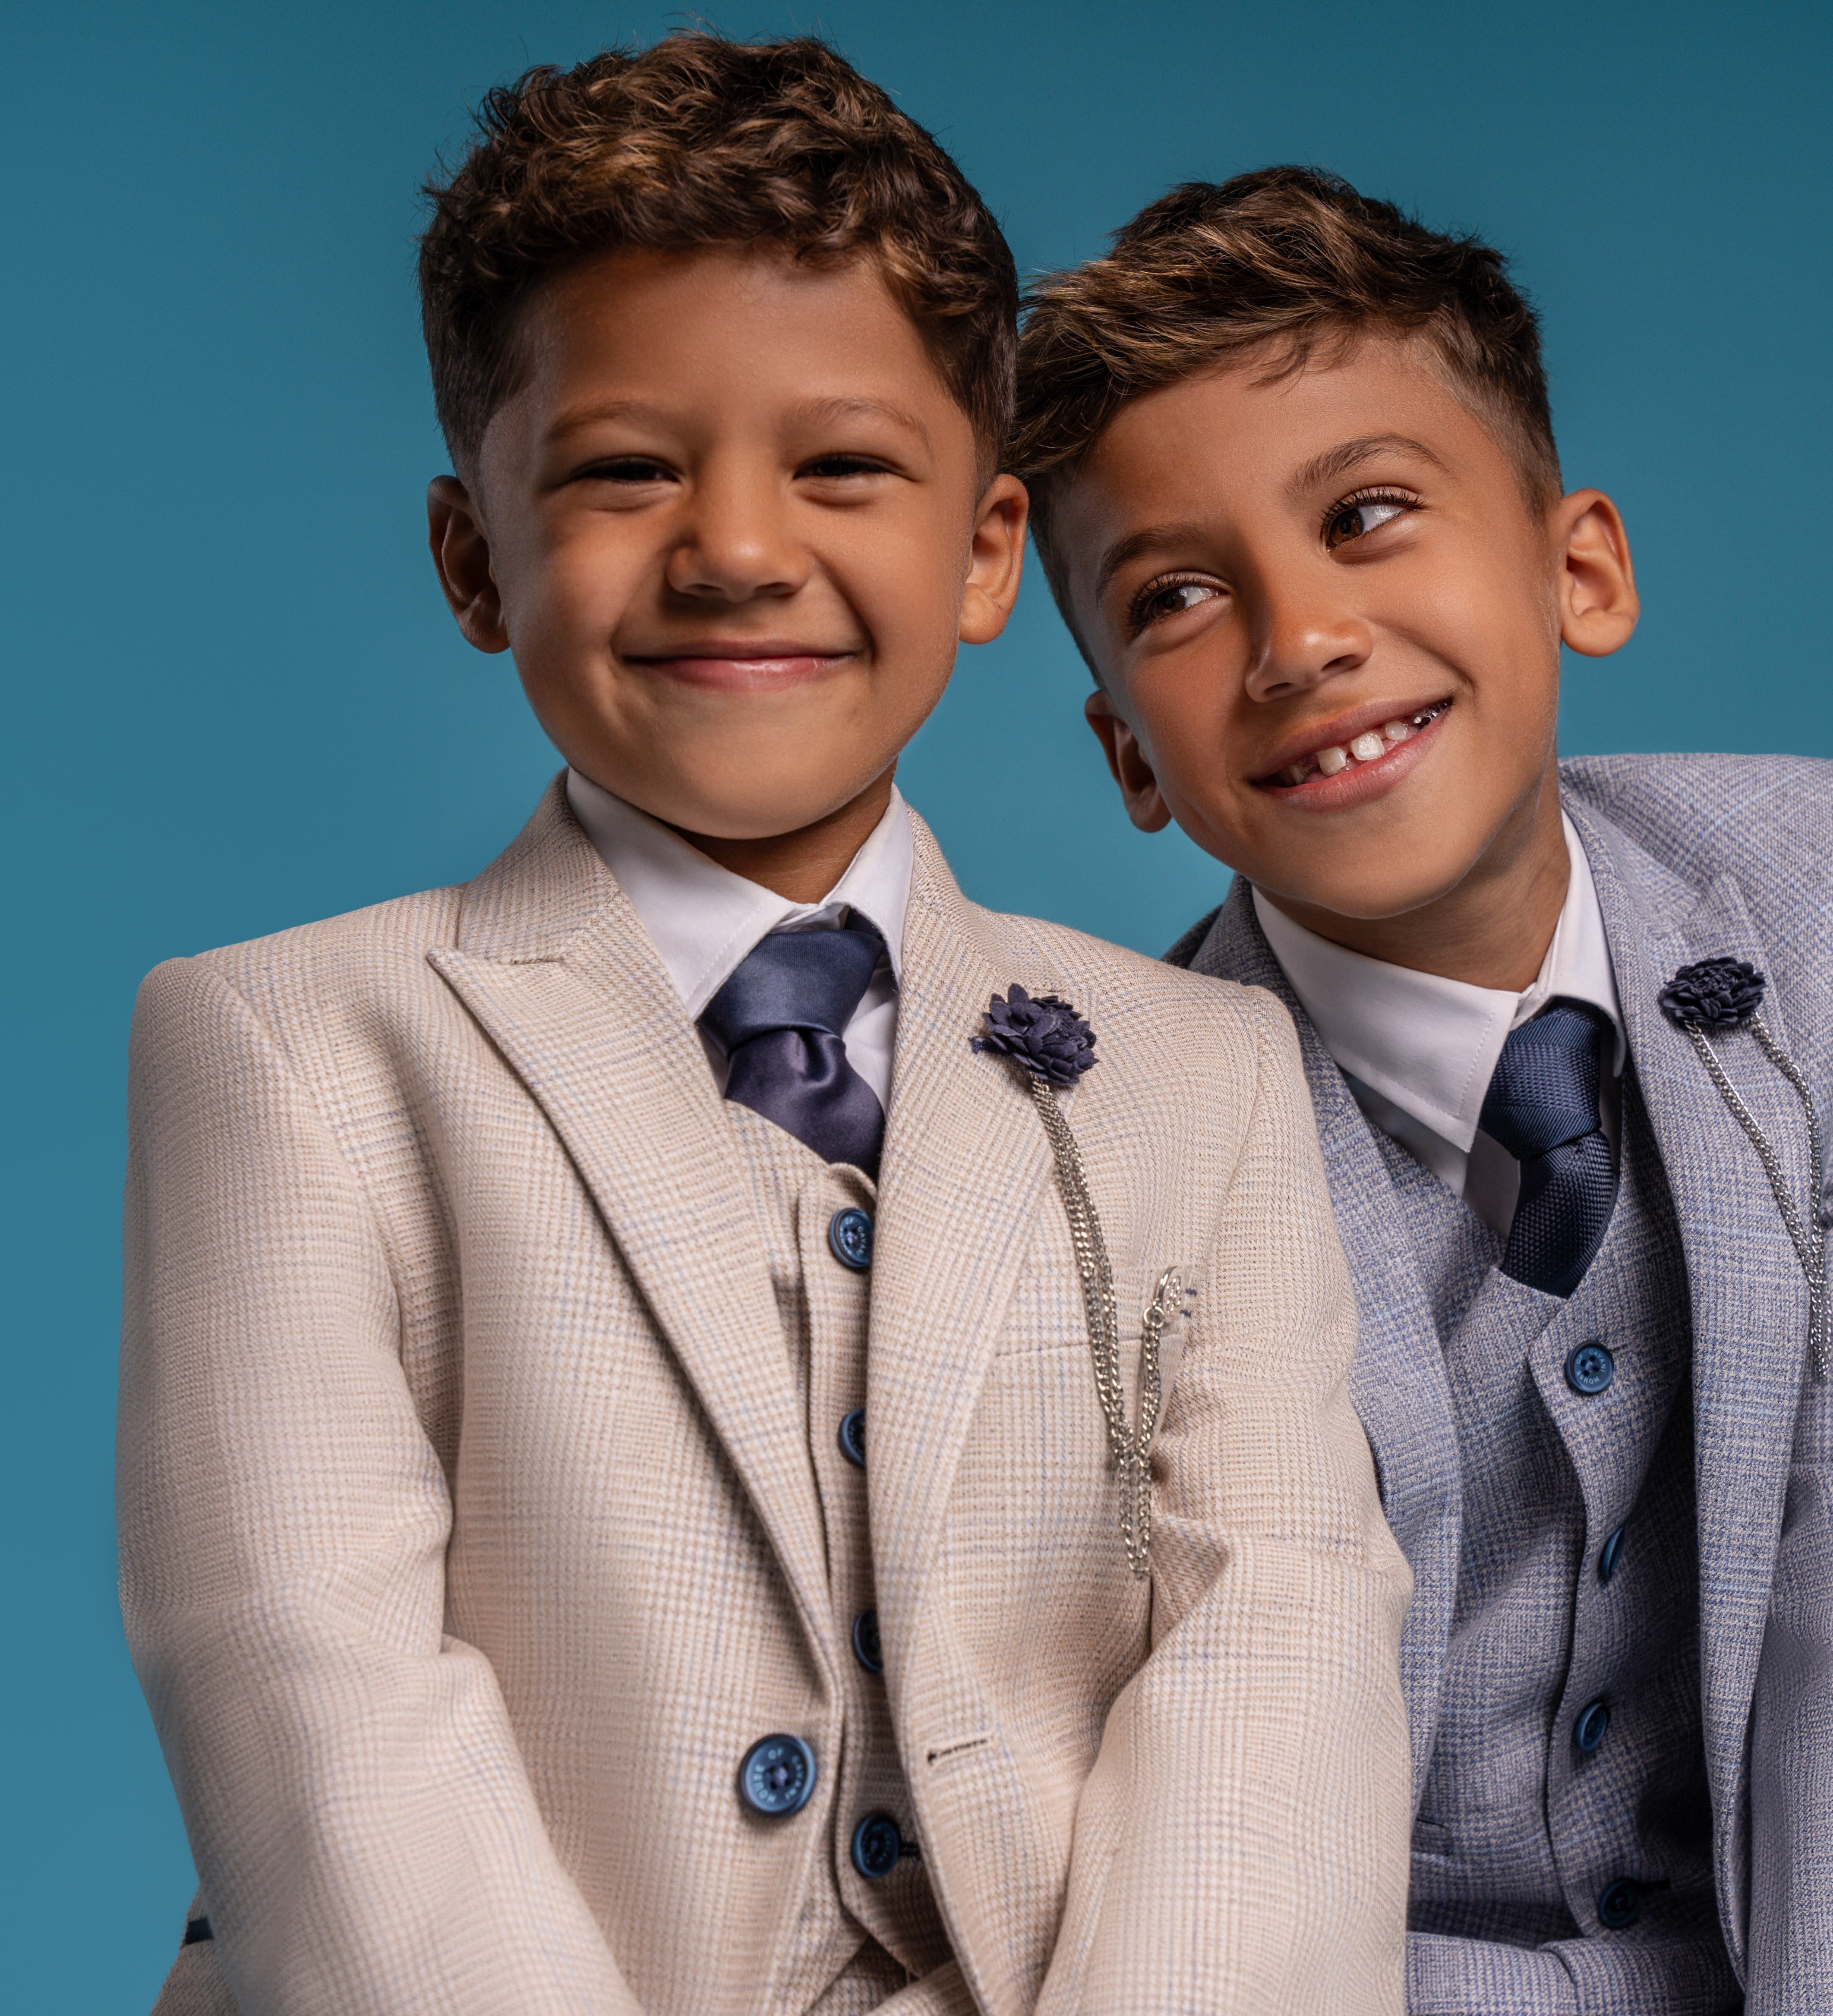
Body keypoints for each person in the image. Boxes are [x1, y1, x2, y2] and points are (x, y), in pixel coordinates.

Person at [118, 56, 1412, 2016]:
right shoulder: (294, 1044)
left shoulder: (1198, 1069)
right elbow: (307, 1675)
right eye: (628, 469)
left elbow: (1278, 1646)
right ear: (476, 559)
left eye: (841, 469)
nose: (735, 546)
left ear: (989, 555)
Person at [1012, 166, 1833, 2016]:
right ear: (1126, 756)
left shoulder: (1819, 885)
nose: (1299, 637)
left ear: (1582, 570)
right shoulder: (1109, 1128)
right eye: (1175, 594)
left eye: (1369, 514)